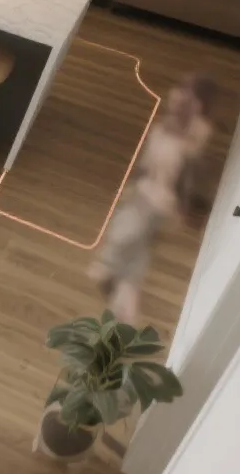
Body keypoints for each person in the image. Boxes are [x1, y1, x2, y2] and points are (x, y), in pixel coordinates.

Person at [91, 73, 217, 323]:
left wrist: (182, 206)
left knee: (128, 237)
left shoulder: (194, 135)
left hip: (159, 200)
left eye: (187, 95)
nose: (178, 97)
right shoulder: (164, 126)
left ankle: (110, 275)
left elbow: (187, 174)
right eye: (179, 90)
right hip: (144, 191)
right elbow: (148, 159)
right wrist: (133, 183)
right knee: (137, 246)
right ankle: (122, 301)